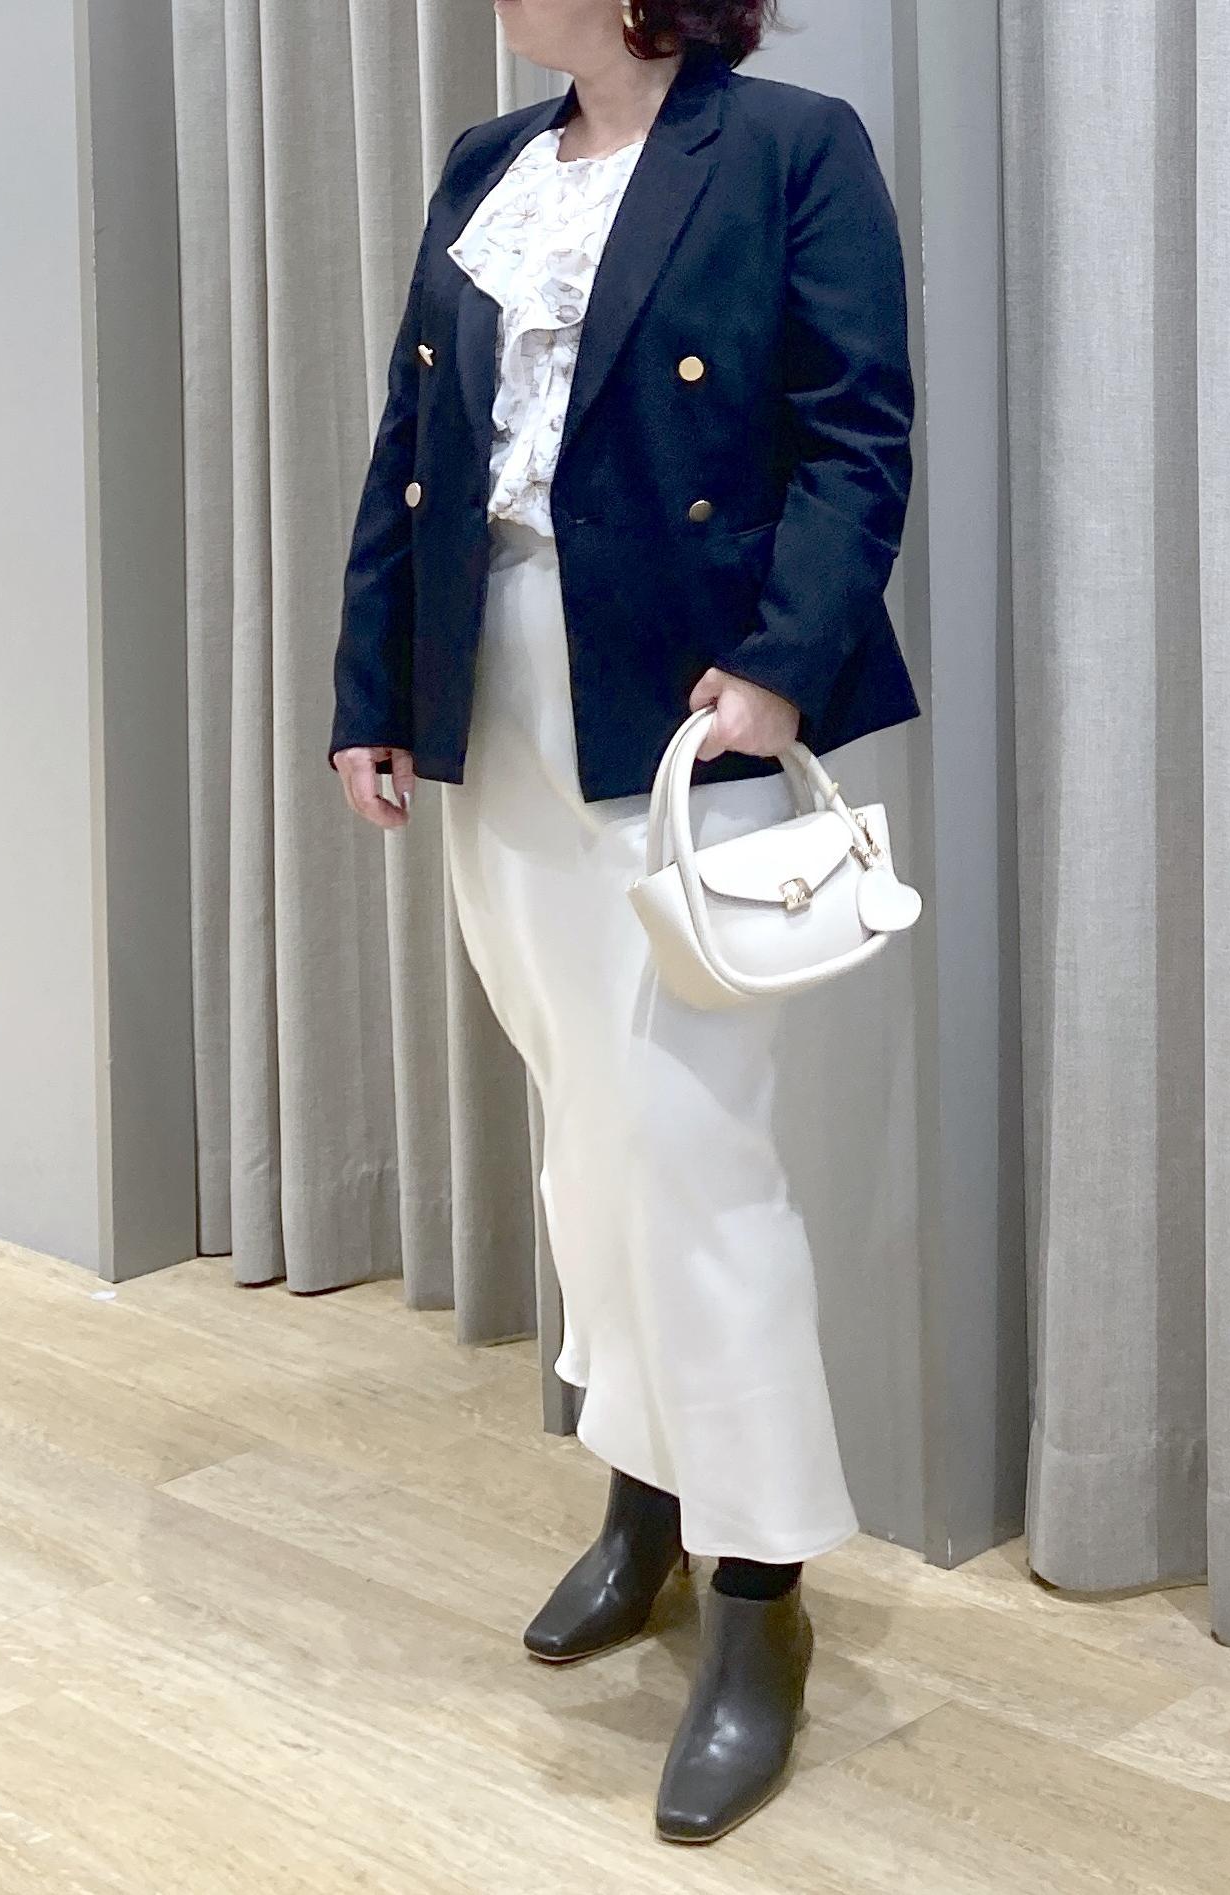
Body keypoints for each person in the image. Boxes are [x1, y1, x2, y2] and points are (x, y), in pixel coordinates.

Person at [328, 0, 917, 1847]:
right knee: (583, 1129)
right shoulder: (488, 165)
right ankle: (645, 1501)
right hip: (492, 682)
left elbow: (853, 432)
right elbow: (415, 439)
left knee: (689, 1147)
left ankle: (759, 1591)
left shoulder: (789, 146)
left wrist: (782, 661)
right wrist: (373, 688)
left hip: (678, 701)